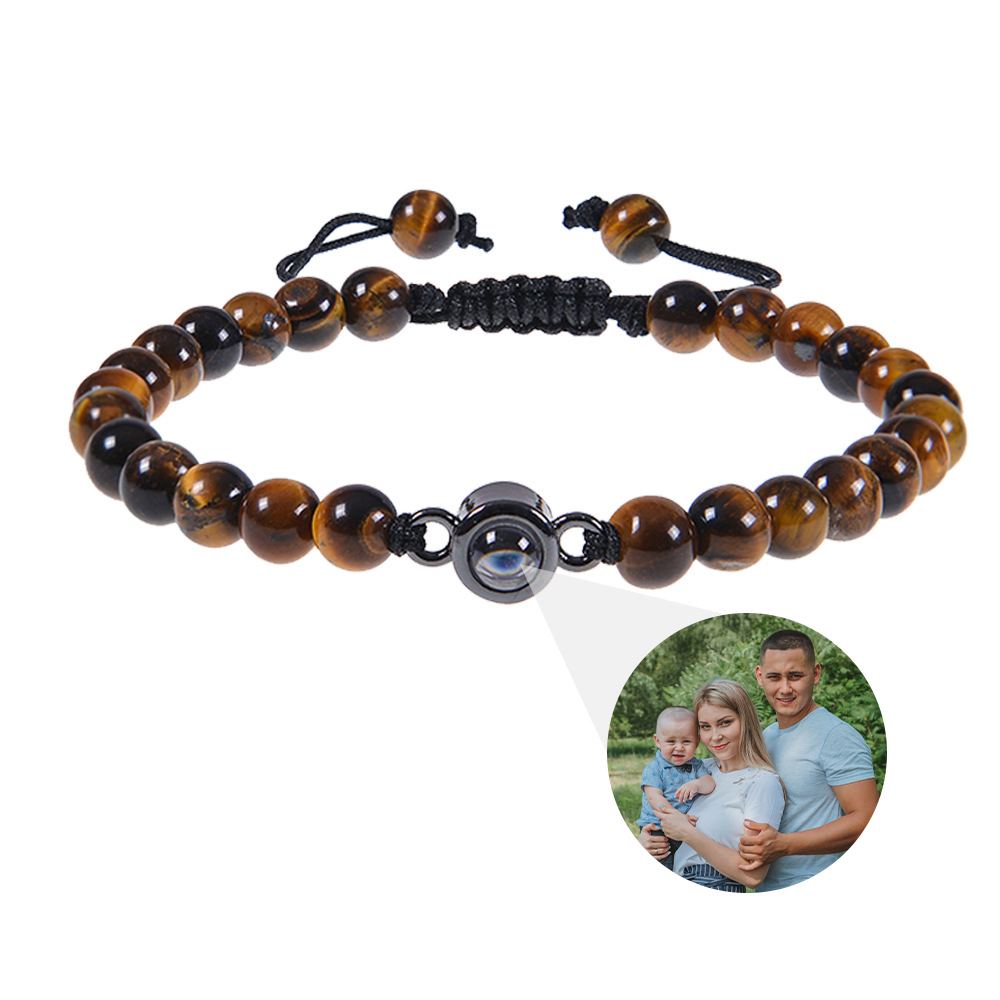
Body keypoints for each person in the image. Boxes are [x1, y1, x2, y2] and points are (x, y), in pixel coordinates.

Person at [737, 629, 879, 892]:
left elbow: (867, 819)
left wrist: (785, 845)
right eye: (774, 677)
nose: (784, 688)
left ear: (815, 674)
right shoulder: (766, 737)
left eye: (795, 676)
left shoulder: (836, 736)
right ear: (759, 676)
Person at [643, 679, 785, 892]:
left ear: (745, 720)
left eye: (725, 723)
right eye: (705, 727)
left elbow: (752, 875)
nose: (715, 736)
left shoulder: (762, 782)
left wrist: (687, 832)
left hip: (715, 885)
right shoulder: (698, 769)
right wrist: (646, 842)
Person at [636, 707, 716, 870]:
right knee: (664, 864)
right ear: (657, 741)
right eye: (671, 741)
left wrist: (696, 784)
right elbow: (655, 798)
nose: (679, 747)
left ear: (697, 741)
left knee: (683, 865)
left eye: (686, 741)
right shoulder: (654, 769)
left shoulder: (696, 765)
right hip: (658, 829)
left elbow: (709, 784)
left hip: (683, 826)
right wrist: (677, 817)